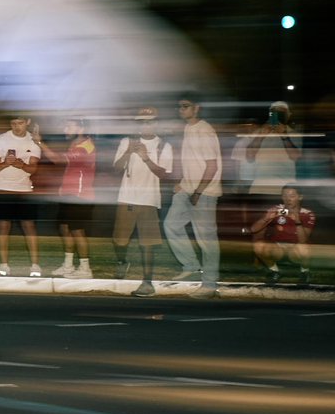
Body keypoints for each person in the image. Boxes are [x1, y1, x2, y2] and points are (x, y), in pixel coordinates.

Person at [164, 92, 223, 298]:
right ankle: (190, 266)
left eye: (185, 106)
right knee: (171, 225)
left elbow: (212, 166)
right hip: (188, 189)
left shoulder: (204, 131)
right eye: (179, 106)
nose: (181, 110)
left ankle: (210, 284)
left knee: (206, 239)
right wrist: (183, 184)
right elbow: (193, 163)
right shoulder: (189, 128)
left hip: (204, 192)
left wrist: (198, 191)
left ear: (196, 108)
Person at [112, 107, 174, 296]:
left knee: (147, 243)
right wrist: (128, 152)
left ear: (156, 124)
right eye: (142, 122)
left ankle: (147, 282)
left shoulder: (164, 146)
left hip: (149, 199)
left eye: (149, 121)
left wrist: (146, 158)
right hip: (127, 198)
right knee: (120, 241)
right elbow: (116, 168)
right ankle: (123, 261)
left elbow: (165, 174)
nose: (146, 125)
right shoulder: (127, 141)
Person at [38, 118, 97, 279]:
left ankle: (85, 268)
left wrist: (40, 143)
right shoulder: (76, 145)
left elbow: (58, 160)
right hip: (68, 195)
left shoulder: (85, 147)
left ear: (81, 128)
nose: (65, 129)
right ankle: (68, 266)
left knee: (78, 231)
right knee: (65, 229)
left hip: (80, 196)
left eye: (69, 126)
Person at [0, 112, 43, 277]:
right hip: (2, 188)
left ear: (27, 122)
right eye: (13, 123)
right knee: (3, 227)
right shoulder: (1, 139)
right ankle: (4, 265)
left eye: (19, 123)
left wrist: (22, 166)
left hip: (24, 190)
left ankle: (35, 265)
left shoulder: (33, 141)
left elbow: (33, 169)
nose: (16, 126)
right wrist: (5, 163)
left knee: (29, 227)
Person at [250, 183, 316, 285]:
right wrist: (266, 218)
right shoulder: (278, 210)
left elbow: (303, 240)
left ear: (300, 197)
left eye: (292, 196)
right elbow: (253, 229)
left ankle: (305, 272)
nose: (287, 199)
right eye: (284, 196)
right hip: (278, 248)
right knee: (259, 245)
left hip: (295, 250)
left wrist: (297, 220)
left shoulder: (307, 214)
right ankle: (274, 271)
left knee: (305, 247)